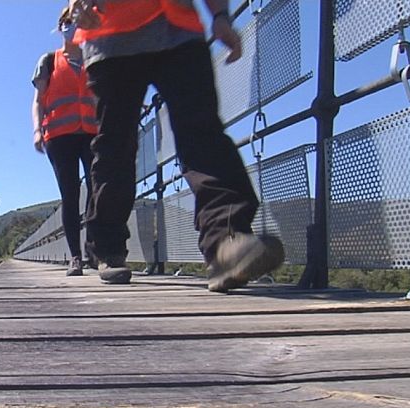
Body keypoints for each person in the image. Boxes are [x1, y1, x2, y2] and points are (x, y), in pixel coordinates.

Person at [69, 0, 284, 290]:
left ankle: (226, 243)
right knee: (115, 147)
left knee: (203, 133)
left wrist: (220, 14)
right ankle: (108, 248)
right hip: (110, 36)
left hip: (178, 27)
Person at [32, 6, 99, 276]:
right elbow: (38, 101)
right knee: (70, 194)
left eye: (76, 22)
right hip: (59, 136)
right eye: (67, 23)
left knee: (98, 189)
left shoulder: (95, 58)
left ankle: (95, 249)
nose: (72, 27)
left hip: (92, 132)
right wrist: (37, 130)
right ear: (60, 28)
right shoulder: (49, 61)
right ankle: (75, 257)